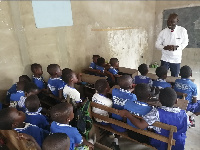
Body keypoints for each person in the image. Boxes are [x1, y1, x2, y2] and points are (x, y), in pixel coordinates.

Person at [119, 87, 189, 150]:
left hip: (160, 144)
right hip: (178, 144)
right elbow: (186, 126)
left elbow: (141, 125)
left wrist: (128, 114)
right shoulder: (184, 114)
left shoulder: (156, 112)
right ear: (176, 101)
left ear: (159, 100)